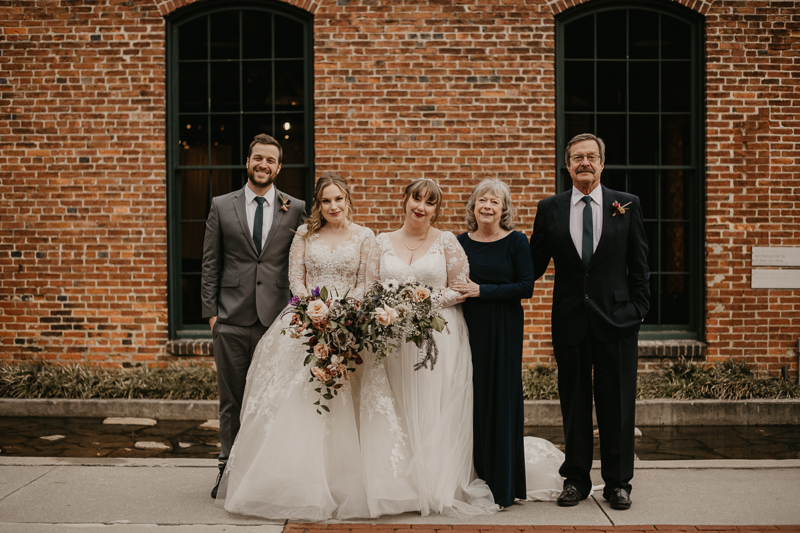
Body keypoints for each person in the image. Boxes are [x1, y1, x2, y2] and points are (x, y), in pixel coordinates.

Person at [216, 173, 419, 520]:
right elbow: (295, 279)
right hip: (306, 322)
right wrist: (315, 312)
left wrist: (343, 314)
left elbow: (365, 280)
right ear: (318, 205)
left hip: (351, 323)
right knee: (303, 402)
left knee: (353, 402)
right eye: (326, 201)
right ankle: (300, 483)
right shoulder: (304, 235)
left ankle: (357, 483)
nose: (333, 206)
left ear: (348, 200)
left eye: (338, 199)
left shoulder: (365, 236)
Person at [529, 133, 650, 510]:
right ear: (567, 165)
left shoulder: (626, 205)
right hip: (570, 321)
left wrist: (637, 312)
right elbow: (531, 265)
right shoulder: (549, 208)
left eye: (591, 156)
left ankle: (618, 483)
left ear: (602, 163)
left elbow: (640, 267)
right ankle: (576, 480)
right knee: (575, 403)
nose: (585, 162)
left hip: (617, 322)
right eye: (577, 157)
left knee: (617, 404)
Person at [366, 178, 498, 516]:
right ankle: (400, 484)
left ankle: (435, 483)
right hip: (392, 336)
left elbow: (461, 287)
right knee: (396, 404)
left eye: (429, 203)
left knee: (431, 405)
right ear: (405, 200)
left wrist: (420, 303)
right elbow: (370, 288)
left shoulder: (447, 242)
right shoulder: (382, 242)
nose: (421, 207)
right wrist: (391, 309)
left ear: (436, 209)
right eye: (416, 199)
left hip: (439, 336)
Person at [201, 134, 307, 499]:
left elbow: (304, 261)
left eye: (271, 160)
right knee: (231, 401)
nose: (263, 165)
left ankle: (266, 476)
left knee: (271, 400)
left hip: (275, 322)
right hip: (230, 320)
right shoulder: (221, 205)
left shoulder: (295, 208)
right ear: (248, 161)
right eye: (257, 158)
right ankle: (227, 472)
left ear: (279, 167)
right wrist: (212, 317)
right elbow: (210, 263)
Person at [453, 178, 558, 507]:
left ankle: (503, 483)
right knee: (470, 400)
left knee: (500, 399)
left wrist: (482, 290)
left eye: (494, 202)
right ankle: (471, 476)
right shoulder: (458, 243)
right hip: (467, 329)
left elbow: (526, 286)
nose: (487, 206)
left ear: (504, 209)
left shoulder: (516, 242)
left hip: (504, 330)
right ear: (473, 206)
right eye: (481, 200)